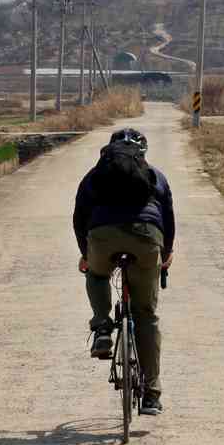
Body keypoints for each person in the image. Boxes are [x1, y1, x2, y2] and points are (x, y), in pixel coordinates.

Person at [73, 127, 175, 415]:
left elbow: (79, 216)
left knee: (97, 274)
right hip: (146, 238)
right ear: (143, 152)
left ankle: (103, 327)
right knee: (147, 316)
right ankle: (152, 395)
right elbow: (168, 217)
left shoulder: (94, 176)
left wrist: (86, 254)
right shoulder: (155, 176)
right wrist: (165, 254)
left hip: (102, 236)